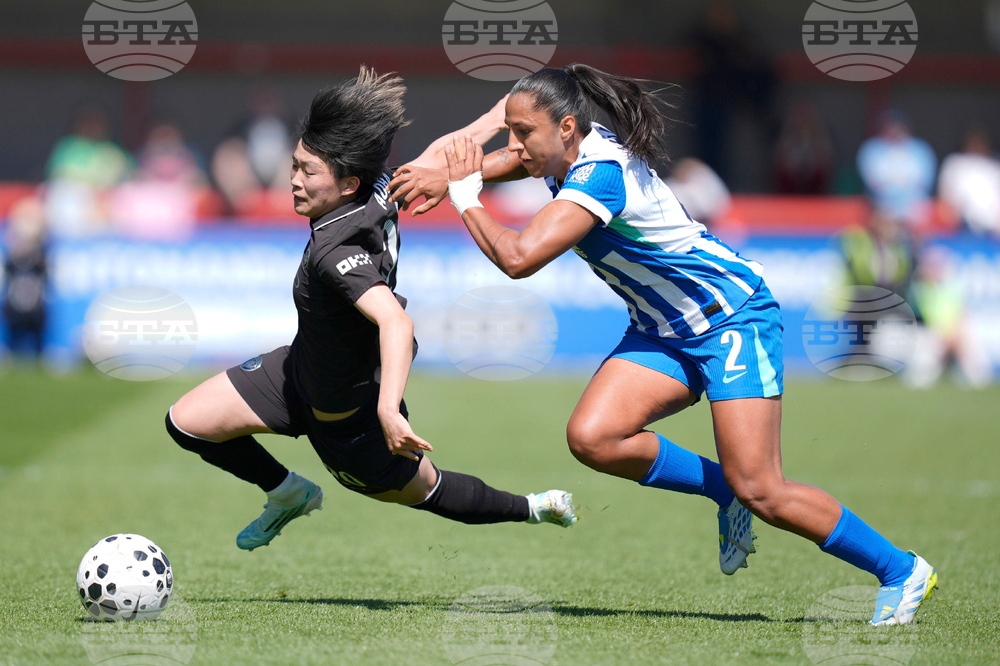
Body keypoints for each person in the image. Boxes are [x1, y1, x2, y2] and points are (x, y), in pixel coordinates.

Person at [389, 64, 937, 626]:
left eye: (523, 132)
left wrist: (462, 191)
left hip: (730, 319)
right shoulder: (562, 150)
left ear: (569, 127)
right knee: (595, 437)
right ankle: (726, 492)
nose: (514, 144)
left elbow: (519, 258)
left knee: (764, 490)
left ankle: (900, 569)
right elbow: (513, 160)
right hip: (663, 328)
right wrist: (465, 169)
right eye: (511, 129)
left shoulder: (600, 174)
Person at [166, 67, 576, 553]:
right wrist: (494, 116)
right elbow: (446, 150)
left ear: (346, 184)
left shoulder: (335, 251)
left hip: (347, 416)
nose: (293, 179)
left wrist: (387, 410)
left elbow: (396, 321)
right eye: (295, 164)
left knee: (430, 491)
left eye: (306, 171)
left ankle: (533, 506)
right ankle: (286, 491)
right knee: (186, 421)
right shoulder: (378, 188)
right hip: (297, 372)